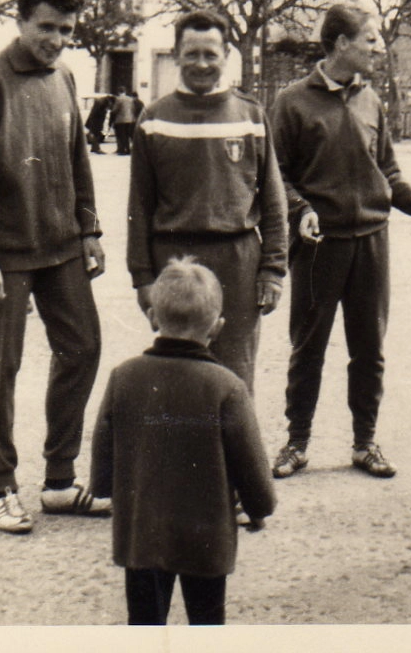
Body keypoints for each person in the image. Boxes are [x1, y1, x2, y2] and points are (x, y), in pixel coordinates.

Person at [268, 5, 411, 480]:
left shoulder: (371, 101)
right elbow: (275, 175)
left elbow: (389, 173)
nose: (379, 48)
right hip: (320, 246)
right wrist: (303, 211)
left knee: (369, 349)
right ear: (341, 44)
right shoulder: (292, 102)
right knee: (308, 348)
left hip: (371, 244)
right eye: (371, 40)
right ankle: (296, 444)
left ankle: (365, 443)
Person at [0, 0, 110, 532]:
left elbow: (77, 157)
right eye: (47, 28)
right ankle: (1, 487)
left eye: (66, 30)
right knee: (1, 369)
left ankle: (60, 481)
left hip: (62, 248)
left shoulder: (64, 77)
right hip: (5, 258)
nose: (57, 40)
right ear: (19, 21)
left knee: (83, 348)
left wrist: (89, 229)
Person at [90, 257, 277, 626]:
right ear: (218, 327)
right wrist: (258, 508)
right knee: (206, 624)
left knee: (144, 623)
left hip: (142, 536)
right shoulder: (227, 387)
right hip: (206, 540)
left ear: (153, 318)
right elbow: (253, 470)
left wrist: (108, 489)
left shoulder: (123, 377)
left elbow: (102, 456)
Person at [127, 9, 287, 392]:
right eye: (192, 53)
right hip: (175, 261)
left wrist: (273, 270)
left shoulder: (250, 115)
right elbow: (139, 208)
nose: (201, 63)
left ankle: (233, 453)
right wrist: (143, 278)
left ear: (226, 54)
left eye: (210, 54)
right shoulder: (154, 118)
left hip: (237, 260)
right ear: (178, 54)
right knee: (176, 375)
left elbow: (274, 201)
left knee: (235, 374)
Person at [111, 88, 138, 155]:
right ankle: (128, 149)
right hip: (130, 120)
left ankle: (122, 149)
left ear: (119, 92)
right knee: (127, 135)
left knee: (122, 135)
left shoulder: (118, 99)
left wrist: (112, 111)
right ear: (125, 92)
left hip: (121, 120)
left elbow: (115, 110)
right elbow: (133, 109)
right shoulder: (130, 99)